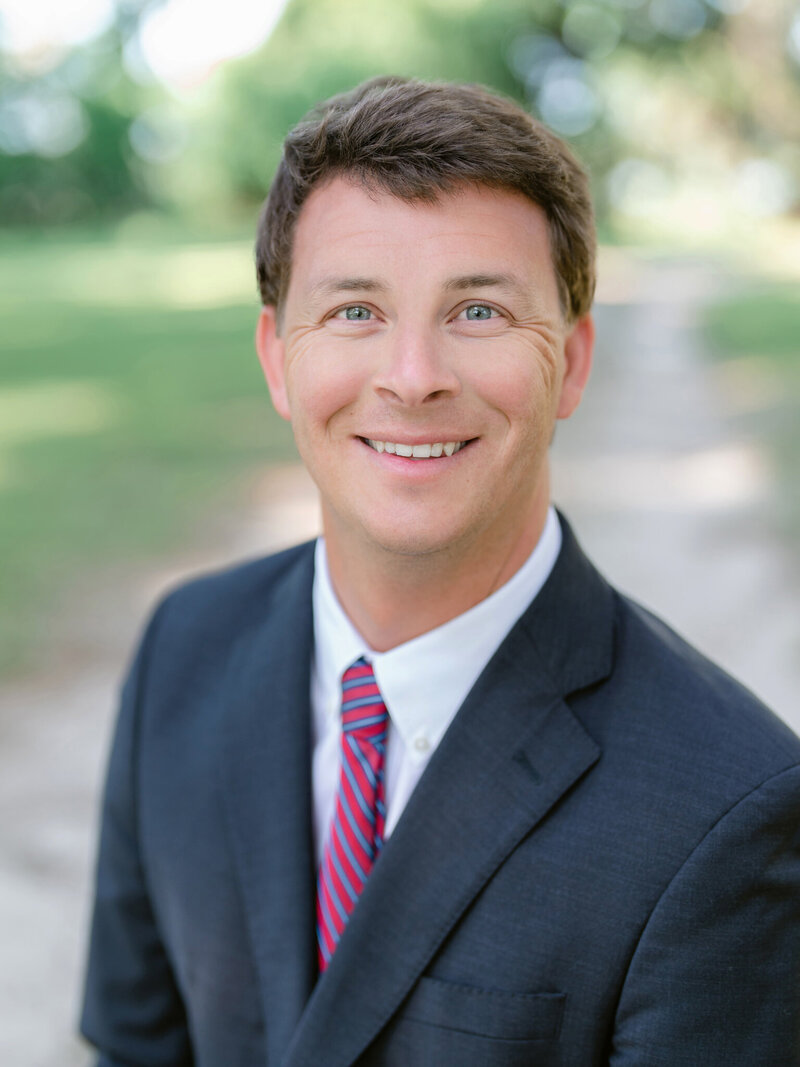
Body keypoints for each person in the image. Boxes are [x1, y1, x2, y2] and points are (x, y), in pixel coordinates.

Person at [80, 77, 800, 1066]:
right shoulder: (185, 649)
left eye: (476, 309)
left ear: (572, 362)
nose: (412, 375)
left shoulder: (726, 808)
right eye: (353, 311)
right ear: (277, 359)